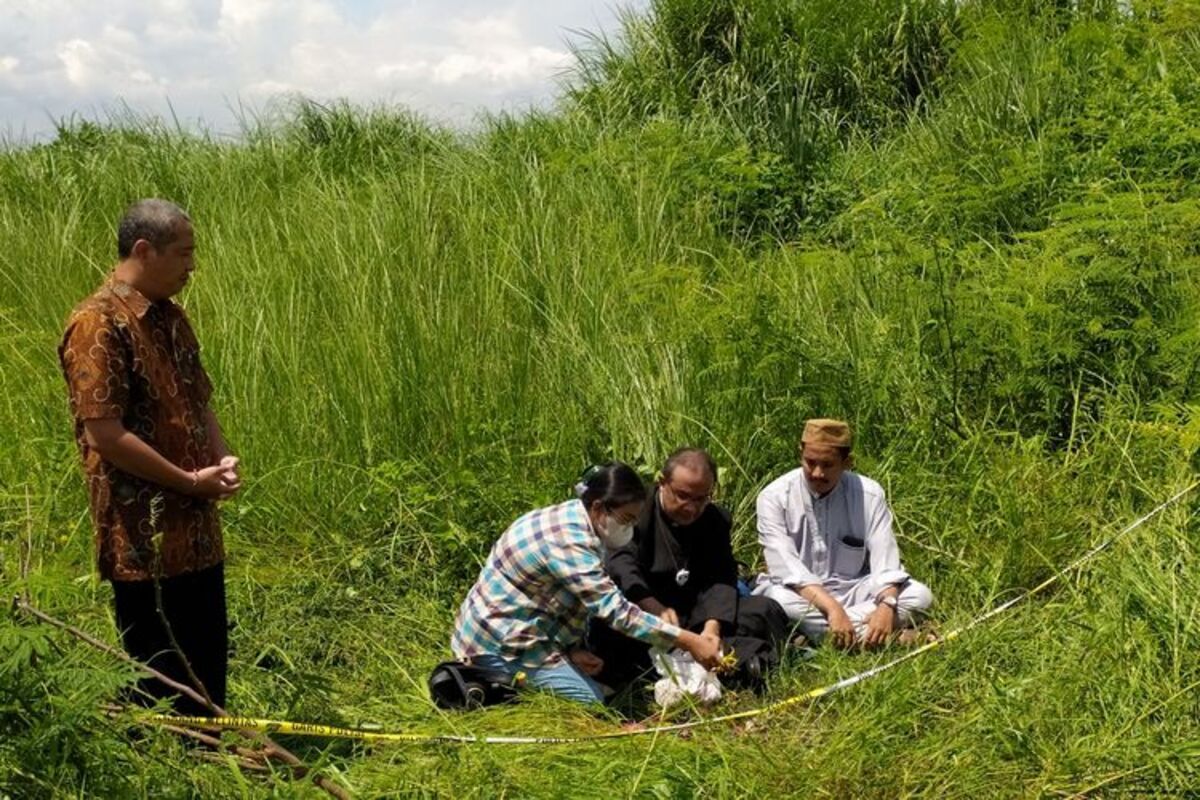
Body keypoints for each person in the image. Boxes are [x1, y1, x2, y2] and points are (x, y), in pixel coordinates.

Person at [59, 199, 240, 715]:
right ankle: (166, 767)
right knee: (159, 673)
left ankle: (209, 756)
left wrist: (220, 459)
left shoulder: (171, 317)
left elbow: (198, 400)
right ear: (144, 249)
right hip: (143, 538)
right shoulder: (96, 324)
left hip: (197, 530)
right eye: (183, 254)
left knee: (206, 658)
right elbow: (106, 435)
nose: (192, 266)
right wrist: (187, 480)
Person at [450, 462, 723, 704]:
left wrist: (571, 650)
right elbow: (616, 612)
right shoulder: (570, 543)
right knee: (590, 700)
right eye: (626, 520)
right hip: (499, 644)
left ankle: (544, 664)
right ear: (598, 507)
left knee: (599, 676)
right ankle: (489, 680)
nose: (628, 529)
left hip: (511, 627)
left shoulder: (573, 518)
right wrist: (689, 641)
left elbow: (560, 600)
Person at [591, 447, 790, 687]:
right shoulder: (637, 511)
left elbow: (721, 575)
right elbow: (620, 562)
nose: (692, 507)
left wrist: (712, 627)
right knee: (614, 637)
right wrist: (651, 604)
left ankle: (714, 656)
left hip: (696, 611)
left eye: (701, 498)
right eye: (682, 496)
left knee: (765, 610)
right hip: (647, 610)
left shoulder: (715, 519)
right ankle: (721, 662)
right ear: (662, 483)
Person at [753, 419, 933, 650]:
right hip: (802, 596)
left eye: (827, 465)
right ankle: (887, 638)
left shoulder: (869, 494)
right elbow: (788, 570)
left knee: (920, 595)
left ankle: (825, 638)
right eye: (810, 463)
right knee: (777, 600)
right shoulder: (774, 497)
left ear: (847, 462)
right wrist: (833, 609)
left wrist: (887, 606)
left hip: (855, 589)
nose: (817, 473)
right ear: (800, 454)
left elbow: (885, 563)